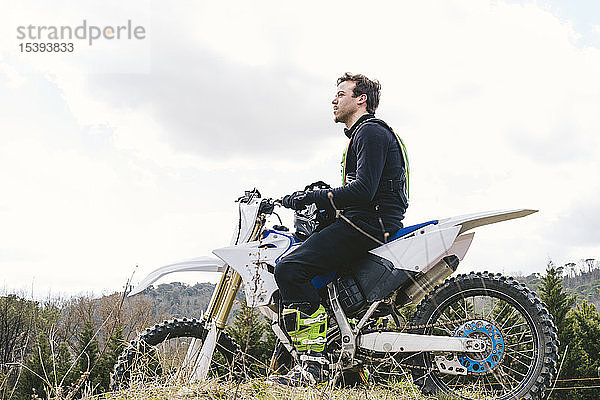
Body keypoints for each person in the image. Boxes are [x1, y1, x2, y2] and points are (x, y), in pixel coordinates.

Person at [269, 73, 409, 386]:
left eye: (341, 94)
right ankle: (348, 371)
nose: (334, 100)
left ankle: (312, 366)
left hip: (369, 223)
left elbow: (362, 191)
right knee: (322, 282)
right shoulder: (364, 135)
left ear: (361, 99)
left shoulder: (370, 132)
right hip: (370, 219)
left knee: (290, 268)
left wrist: (310, 197)